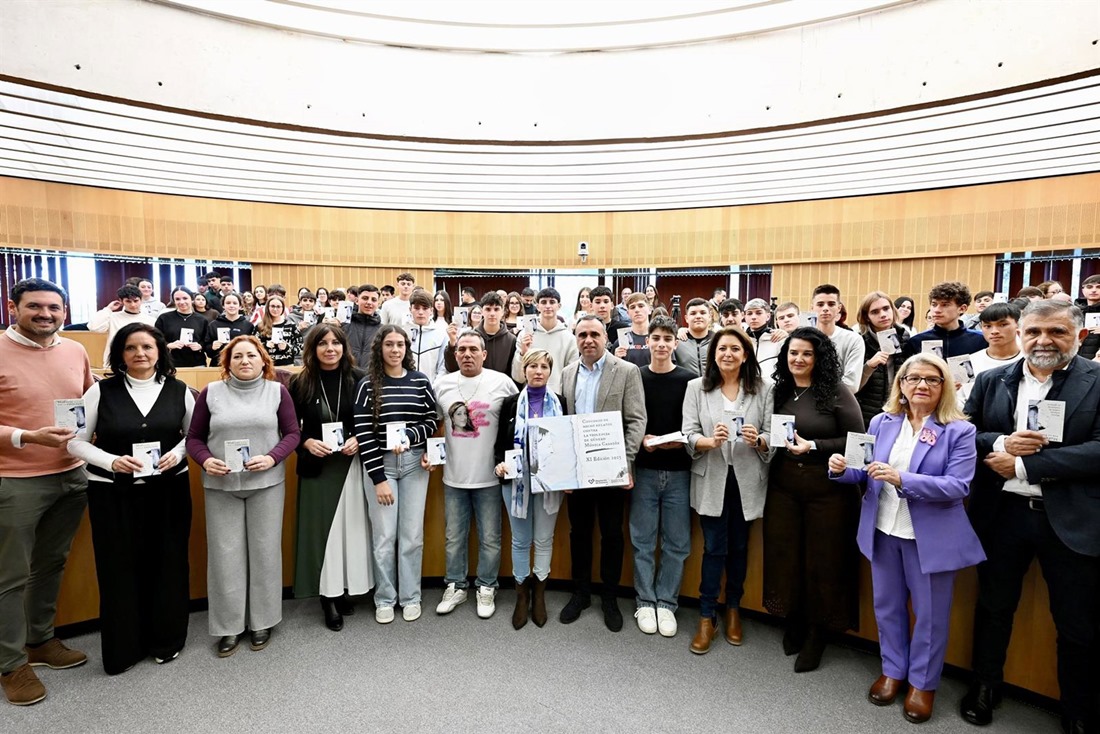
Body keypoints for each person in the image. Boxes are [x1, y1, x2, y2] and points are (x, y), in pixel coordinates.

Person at [960, 301, 1100, 733]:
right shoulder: (992, 379)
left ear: (1079, 336)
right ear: (1020, 334)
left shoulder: (1097, 380)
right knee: (993, 607)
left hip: (1072, 520)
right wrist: (1001, 442)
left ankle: (1077, 709)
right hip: (1002, 514)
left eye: (1056, 331)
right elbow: (965, 431)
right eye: (1034, 331)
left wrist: (1024, 465)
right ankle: (985, 686)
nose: (1043, 340)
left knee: (1076, 622)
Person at [829, 354, 983, 724]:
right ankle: (893, 670)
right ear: (900, 384)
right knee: (887, 606)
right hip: (883, 529)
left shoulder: (959, 430)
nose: (921, 385)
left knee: (930, 615)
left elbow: (958, 486)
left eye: (932, 379)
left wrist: (903, 479)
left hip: (928, 537)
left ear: (944, 387)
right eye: (913, 378)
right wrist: (840, 469)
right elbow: (863, 471)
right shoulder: (882, 421)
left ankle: (923, 684)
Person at [67, 323, 195, 673]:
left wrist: (177, 454)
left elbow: (195, 435)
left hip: (168, 491)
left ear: (160, 352)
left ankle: (167, 640)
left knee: (168, 563)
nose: (140, 353)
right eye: (131, 348)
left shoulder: (180, 390)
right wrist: (111, 461)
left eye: (148, 347)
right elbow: (74, 442)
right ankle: (124, 648)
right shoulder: (99, 391)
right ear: (120, 354)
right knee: (118, 568)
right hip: (113, 494)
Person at [0, 278, 94, 706]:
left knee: (51, 564)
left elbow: (89, 400)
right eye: (35, 306)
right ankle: (10, 663)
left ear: (65, 312)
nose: (46, 314)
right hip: (15, 481)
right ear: (12, 307)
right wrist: (26, 436)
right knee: (10, 576)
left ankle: (39, 640)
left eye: (54, 308)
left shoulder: (75, 350)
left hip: (71, 474)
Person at [186, 335, 300, 658]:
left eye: (251, 355)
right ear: (227, 362)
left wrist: (272, 458)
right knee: (225, 557)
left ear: (263, 360)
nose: (245, 361)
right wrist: (206, 460)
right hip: (222, 486)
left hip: (266, 483)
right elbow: (193, 439)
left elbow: (293, 434)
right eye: (237, 356)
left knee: (265, 552)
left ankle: (263, 621)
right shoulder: (211, 393)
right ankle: (229, 626)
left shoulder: (277, 392)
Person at [764, 326, 865, 672]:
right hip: (783, 488)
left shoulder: (836, 390)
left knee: (823, 562)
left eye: (807, 353)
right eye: (793, 353)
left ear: (819, 358)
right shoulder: (779, 390)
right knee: (787, 556)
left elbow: (859, 441)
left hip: (829, 492)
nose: (799, 359)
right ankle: (794, 619)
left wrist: (815, 446)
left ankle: (817, 633)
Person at [682, 326, 774, 652]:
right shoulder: (696, 387)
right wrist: (709, 441)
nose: (727, 354)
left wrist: (758, 439)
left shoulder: (764, 388)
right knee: (714, 548)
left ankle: (733, 608)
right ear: (713, 354)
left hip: (746, 480)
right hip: (712, 478)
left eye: (735, 349)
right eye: (722, 349)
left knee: (739, 547)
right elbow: (689, 432)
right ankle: (707, 615)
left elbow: (773, 434)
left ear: (745, 354)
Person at [559, 315, 647, 631]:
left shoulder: (626, 371)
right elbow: (563, 423)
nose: (588, 340)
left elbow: (636, 420)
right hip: (577, 471)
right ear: (576, 338)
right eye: (582, 334)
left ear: (605, 338)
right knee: (579, 533)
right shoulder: (567, 373)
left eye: (594, 334)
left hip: (612, 470)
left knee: (612, 534)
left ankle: (609, 598)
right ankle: (581, 593)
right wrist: (563, 471)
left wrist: (626, 463)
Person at [429, 331, 518, 619]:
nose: (467, 354)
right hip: (454, 477)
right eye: (462, 350)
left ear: (484, 354)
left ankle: (487, 586)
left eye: (473, 350)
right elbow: (431, 423)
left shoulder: (502, 383)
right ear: (455, 355)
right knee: (454, 537)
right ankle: (455, 586)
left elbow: (515, 423)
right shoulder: (441, 385)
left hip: (490, 477)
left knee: (490, 538)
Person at [354, 326, 438, 624]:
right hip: (382, 465)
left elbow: (432, 419)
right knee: (385, 536)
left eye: (400, 344)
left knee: (412, 536)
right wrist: (378, 479)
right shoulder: (367, 385)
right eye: (389, 344)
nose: (395, 350)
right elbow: (363, 433)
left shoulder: (420, 381)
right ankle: (385, 598)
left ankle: (411, 596)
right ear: (380, 348)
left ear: (406, 348)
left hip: (414, 463)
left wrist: (411, 436)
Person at [289, 325, 371, 632]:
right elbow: (287, 428)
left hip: (351, 465)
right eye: (322, 343)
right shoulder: (300, 382)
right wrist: (306, 442)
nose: (330, 348)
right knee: (321, 535)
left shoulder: (360, 378)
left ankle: (343, 587)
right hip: (318, 467)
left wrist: (360, 439)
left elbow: (373, 419)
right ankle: (327, 597)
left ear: (344, 347)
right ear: (313, 348)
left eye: (336, 342)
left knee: (349, 531)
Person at [629, 317, 699, 639]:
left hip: (679, 472)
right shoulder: (636, 376)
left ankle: (667, 603)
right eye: (655, 338)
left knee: (677, 543)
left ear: (675, 343)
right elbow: (628, 418)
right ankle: (645, 601)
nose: (660, 344)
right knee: (642, 540)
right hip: (644, 469)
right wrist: (641, 439)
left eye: (667, 339)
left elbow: (696, 423)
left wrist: (683, 440)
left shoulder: (690, 380)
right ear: (647, 342)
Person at [493, 349, 567, 630]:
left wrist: (568, 477)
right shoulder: (510, 403)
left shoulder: (560, 402)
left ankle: (540, 594)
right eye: (532, 366)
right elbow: (499, 444)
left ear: (550, 372)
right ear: (524, 371)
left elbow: (566, 444)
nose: (538, 371)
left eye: (544, 367)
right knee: (521, 540)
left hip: (550, 483)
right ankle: (522, 596)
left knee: (544, 539)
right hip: (517, 482)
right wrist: (499, 465)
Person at [855, 291, 911, 427]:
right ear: (867, 317)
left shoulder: (904, 337)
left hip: (899, 410)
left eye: (886, 308)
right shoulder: (859, 341)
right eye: (875, 312)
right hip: (867, 413)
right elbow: (853, 387)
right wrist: (869, 366)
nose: (883, 314)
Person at [957, 301, 1024, 407]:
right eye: (987, 326)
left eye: (1003, 325)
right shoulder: (968, 363)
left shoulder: (1029, 360)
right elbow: (959, 401)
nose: (994, 331)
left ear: (1018, 325)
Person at [513, 287, 579, 393]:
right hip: (531, 397)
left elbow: (572, 377)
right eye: (543, 302)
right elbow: (518, 377)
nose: (548, 306)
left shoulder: (570, 339)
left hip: (558, 397)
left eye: (552, 302)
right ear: (537, 306)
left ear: (559, 306)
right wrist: (523, 354)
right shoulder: (525, 335)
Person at [902, 281, 987, 358]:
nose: (937, 310)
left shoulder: (981, 340)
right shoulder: (916, 341)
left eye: (945, 305)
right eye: (934, 304)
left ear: (962, 308)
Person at [444, 292, 518, 377]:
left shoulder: (511, 340)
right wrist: (452, 343)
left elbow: (513, 373)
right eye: (488, 309)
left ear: (502, 311)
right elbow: (452, 368)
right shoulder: (469, 337)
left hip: (500, 384)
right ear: (482, 311)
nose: (492, 313)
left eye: (496, 309)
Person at [810, 284, 865, 391]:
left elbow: (851, 384)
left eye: (831, 304)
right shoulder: (802, 339)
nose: (825, 308)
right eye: (820, 304)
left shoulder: (853, 339)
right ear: (812, 308)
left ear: (839, 308)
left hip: (838, 399)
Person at [88, 284, 157, 366]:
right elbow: (94, 328)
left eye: (136, 301)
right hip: (116, 361)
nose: (133, 305)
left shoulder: (151, 320)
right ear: (121, 301)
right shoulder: (112, 317)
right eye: (128, 301)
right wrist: (108, 309)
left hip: (141, 360)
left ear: (141, 300)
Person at [155, 287, 210, 368]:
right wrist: (168, 345)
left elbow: (207, 341)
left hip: (197, 363)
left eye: (185, 298)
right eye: (177, 299)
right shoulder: (164, 318)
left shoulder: (202, 320)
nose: (181, 302)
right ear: (174, 301)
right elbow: (156, 339)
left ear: (192, 299)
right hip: (171, 363)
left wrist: (200, 346)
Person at [407, 289, 449, 384]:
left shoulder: (441, 334)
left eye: (425, 308)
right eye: (417, 308)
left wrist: (434, 386)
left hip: (431, 387)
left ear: (431, 311)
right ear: (410, 309)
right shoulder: (402, 333)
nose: (421, 312)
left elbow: (442, 366)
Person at [204, 292, 256, 367]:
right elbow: (207, 348)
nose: (231, 306)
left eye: (235, 303)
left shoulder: (248, 325)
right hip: (219, 365)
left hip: (241, 365)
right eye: (228, 303)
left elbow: (253, 348)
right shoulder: (213, 325)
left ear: (240, 306)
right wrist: (212, 347)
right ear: (223, 306)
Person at [255, 295, 301, 367]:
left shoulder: (291, 325)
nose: (275, 309)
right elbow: (253, 347)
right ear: (268, 307)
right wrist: (265, 346)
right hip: (266, 365)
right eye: (272, 306)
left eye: (278, 307)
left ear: (283, 308)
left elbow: (300, 347)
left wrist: (287, 347)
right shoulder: (260, 326)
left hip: (287, 365)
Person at [346, 284, 383, 368]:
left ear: (378, 304)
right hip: (347, 373)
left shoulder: (382, 330)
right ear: (357, 300)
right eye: (365, 298)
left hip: (371, 374)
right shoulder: (344, 325)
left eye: (373, 300)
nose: (369, 302)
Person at [674, 298, 714, 375]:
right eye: (693, 313)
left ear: (710, 317)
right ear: (686, 318)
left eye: (702, 313)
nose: (698, 316)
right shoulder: (677, 343)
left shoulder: (718, 341)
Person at [613, 292, 652, 366]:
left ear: (649, 310)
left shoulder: (658, 339)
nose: (637, 310)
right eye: (632, 307)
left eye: (641, 306)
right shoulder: (621, 342)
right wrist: (616, 360)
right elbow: (612, 370)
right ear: (628, 313)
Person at [1079, 274, 1100, 361]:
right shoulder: (1074, 311)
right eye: (1089, 287)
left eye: (1098, 287)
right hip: (1075, 360)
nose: (1094, 290)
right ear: (1083, 290)